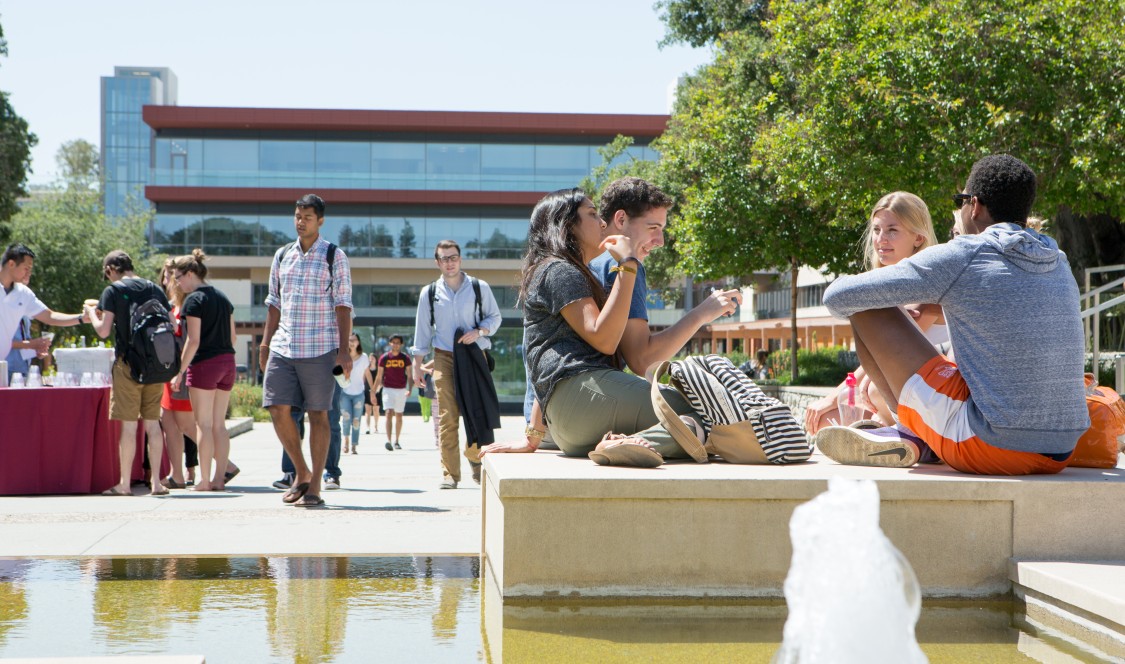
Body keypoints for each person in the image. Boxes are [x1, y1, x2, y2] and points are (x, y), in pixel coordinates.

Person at [815, 155, 1089, 475]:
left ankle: (913, 431)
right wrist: (943, 305)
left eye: (960, 202)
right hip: (1063, 449)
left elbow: (838, 297)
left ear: (974, 206)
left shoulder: (965, 254)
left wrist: (907, 299)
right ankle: (919, 433)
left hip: (994, 445)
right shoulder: (1057, 259)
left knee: (866, 308)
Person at [481, 188, 703, 467]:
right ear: (566, 225)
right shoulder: (560, 271)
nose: (601, 222)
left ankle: (617, 444)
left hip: (568, 423)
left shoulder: (559, 270)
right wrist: (628, 264)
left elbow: (548, 363)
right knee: (702, 411)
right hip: (582, 396)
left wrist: (533, 437)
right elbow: (604, 340)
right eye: (592, 214)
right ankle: (624, 444)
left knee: (693, 427)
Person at [803, 192, 942, 435]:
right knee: (824, 424)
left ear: (918, 237)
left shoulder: (928, 286)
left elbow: (893, 351)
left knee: (867, 393)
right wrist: (837, 396)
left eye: (892, 230)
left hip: (930, 392)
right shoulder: (880, 288)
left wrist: (834, 396)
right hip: (890, 389)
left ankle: (893, 430)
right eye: (877, 230)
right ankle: (883, 427)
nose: (881, 239)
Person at [589, 177, 742, 379]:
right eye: (653, 228)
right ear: (621, 220)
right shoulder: (623, 265)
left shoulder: (590, 260)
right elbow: (642, 360)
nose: (660, 241)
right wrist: (702, 314)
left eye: (662, 230)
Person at [259, 194, 353, 507]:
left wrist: (343, 352)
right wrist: (264, 342)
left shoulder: (333, 256)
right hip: (284, 345)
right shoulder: (282, 254)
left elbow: (343, 305)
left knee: (319, 415)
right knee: (276, 407)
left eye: (307, 217)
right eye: (298, 216)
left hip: (321, 347)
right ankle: (301, 472)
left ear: (320, 220)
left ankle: (315, 486)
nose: (301, 222)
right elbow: (274, 302)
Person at [410, 240, 502, 489]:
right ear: (437, 262)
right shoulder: (429, 293)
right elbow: (422, 333)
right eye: (444, 258)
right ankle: (450, 473)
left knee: (475, 412)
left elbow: (495, 317)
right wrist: (417, 366)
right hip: (444, 357)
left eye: (453, 257)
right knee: (447, 416)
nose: (449, 262)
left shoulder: (478, 287)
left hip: (473, 356)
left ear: (460, 259)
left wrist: (480, 331)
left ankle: (475, 461)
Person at [86, 250, 170, 496]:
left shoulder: (112, 291)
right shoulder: (155, 288)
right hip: (155, 366)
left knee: (130, 426)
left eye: (107, 274)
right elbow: (172, 326)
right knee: (153, 425)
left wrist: (92, 312)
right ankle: (156, 482)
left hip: (128, 365)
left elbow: (103, 331)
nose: (108, 279)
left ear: (112, 268)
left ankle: (124, 484)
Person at [168, 250, 237, 492]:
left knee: (203, 425)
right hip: (228, 362)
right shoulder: (222, 297)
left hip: (204, 365)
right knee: (219, 425)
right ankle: (219, 479)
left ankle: (205, 481)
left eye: (178, 277)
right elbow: (234, 337)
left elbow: (193, 340)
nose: (177, 282)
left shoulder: (194, 301)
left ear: (190, 274)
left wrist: (179, 372)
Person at [0, 243, 86, 377]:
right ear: (11, 264)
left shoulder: (23, 293)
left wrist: (82, 318)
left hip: (14, 370)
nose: (29, 273)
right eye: (26, 268)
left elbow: (50, 316)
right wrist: (29, 344)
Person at [375, 335, 410, 452]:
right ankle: (388, 441)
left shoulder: (405, 358)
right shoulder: (384, 358)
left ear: (401, 344)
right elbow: (379, 376)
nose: (395, 344)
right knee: (388, 413)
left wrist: (409, 388)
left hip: (401, 389)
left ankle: (397, 441)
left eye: (398, 343)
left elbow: (410, 375)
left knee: (399, 415)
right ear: (390, 344)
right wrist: (373, 391)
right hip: (388, 389)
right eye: (393, 342)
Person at [339, 333, 369, 455]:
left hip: (359, 393)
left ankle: (354, 445)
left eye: (354, 340)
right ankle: (346, 441)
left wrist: (372, 390)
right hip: (344, 392)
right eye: (349, 340)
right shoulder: (343, 356)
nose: (352, 342)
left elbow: (367, 374)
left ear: (358, 342)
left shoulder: (364, 357)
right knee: (346, 418)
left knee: (356, 420)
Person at [363, 350, 379, 435]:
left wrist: (378, 388)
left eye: (373, 358)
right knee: (368, 410)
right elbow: (363, 379)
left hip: (377, 390)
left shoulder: (379, 369)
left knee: (376, 410)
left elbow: (381, 379)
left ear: (376, 359)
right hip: (367, 390)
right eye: (370, 358)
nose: (371, 360)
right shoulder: (366, 369)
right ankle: (367, 427)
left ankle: (376, 426)